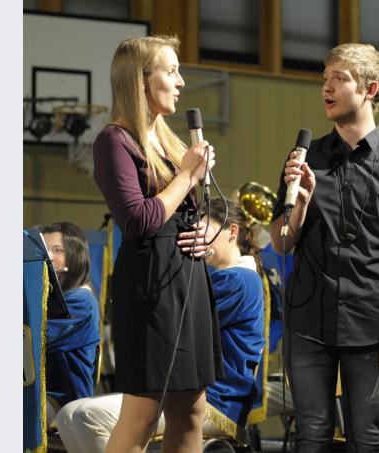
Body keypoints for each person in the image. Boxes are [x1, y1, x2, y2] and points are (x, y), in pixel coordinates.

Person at [269, 43, 379, 453]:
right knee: (312, 435)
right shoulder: (304, 159)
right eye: (325, 79)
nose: (327, 87)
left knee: (367, 438)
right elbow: (282, 243)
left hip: (371, 322)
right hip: (308, 320)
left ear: (370, 89)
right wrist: (301, 202)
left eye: (339, 79)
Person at [92, 35, 222, 453]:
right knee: (143, 415)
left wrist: (202, 236)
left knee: (191, 410)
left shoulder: (168, 142)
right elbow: (138, 221)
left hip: (187, 278)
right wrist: (187, 175)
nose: (181, 82)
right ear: (141, 80)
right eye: (172, 71)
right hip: (151, 286)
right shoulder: (114, 141)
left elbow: (179, 213)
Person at [54, 199, 266, 453]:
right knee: (69, 414)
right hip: (193, 389)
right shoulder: (229, 277)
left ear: (232, 231)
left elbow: (180, 325)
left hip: (215, 398)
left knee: (84, 416)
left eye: (202, 228)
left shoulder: (239, 279)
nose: (194, 237)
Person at [40, 222, 101, 425]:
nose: (49, 257)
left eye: (57, 250)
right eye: (45, 250)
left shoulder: (80, 301)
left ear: (75, 256)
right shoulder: (55, 296)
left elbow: (36, 337)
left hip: (61, 399)